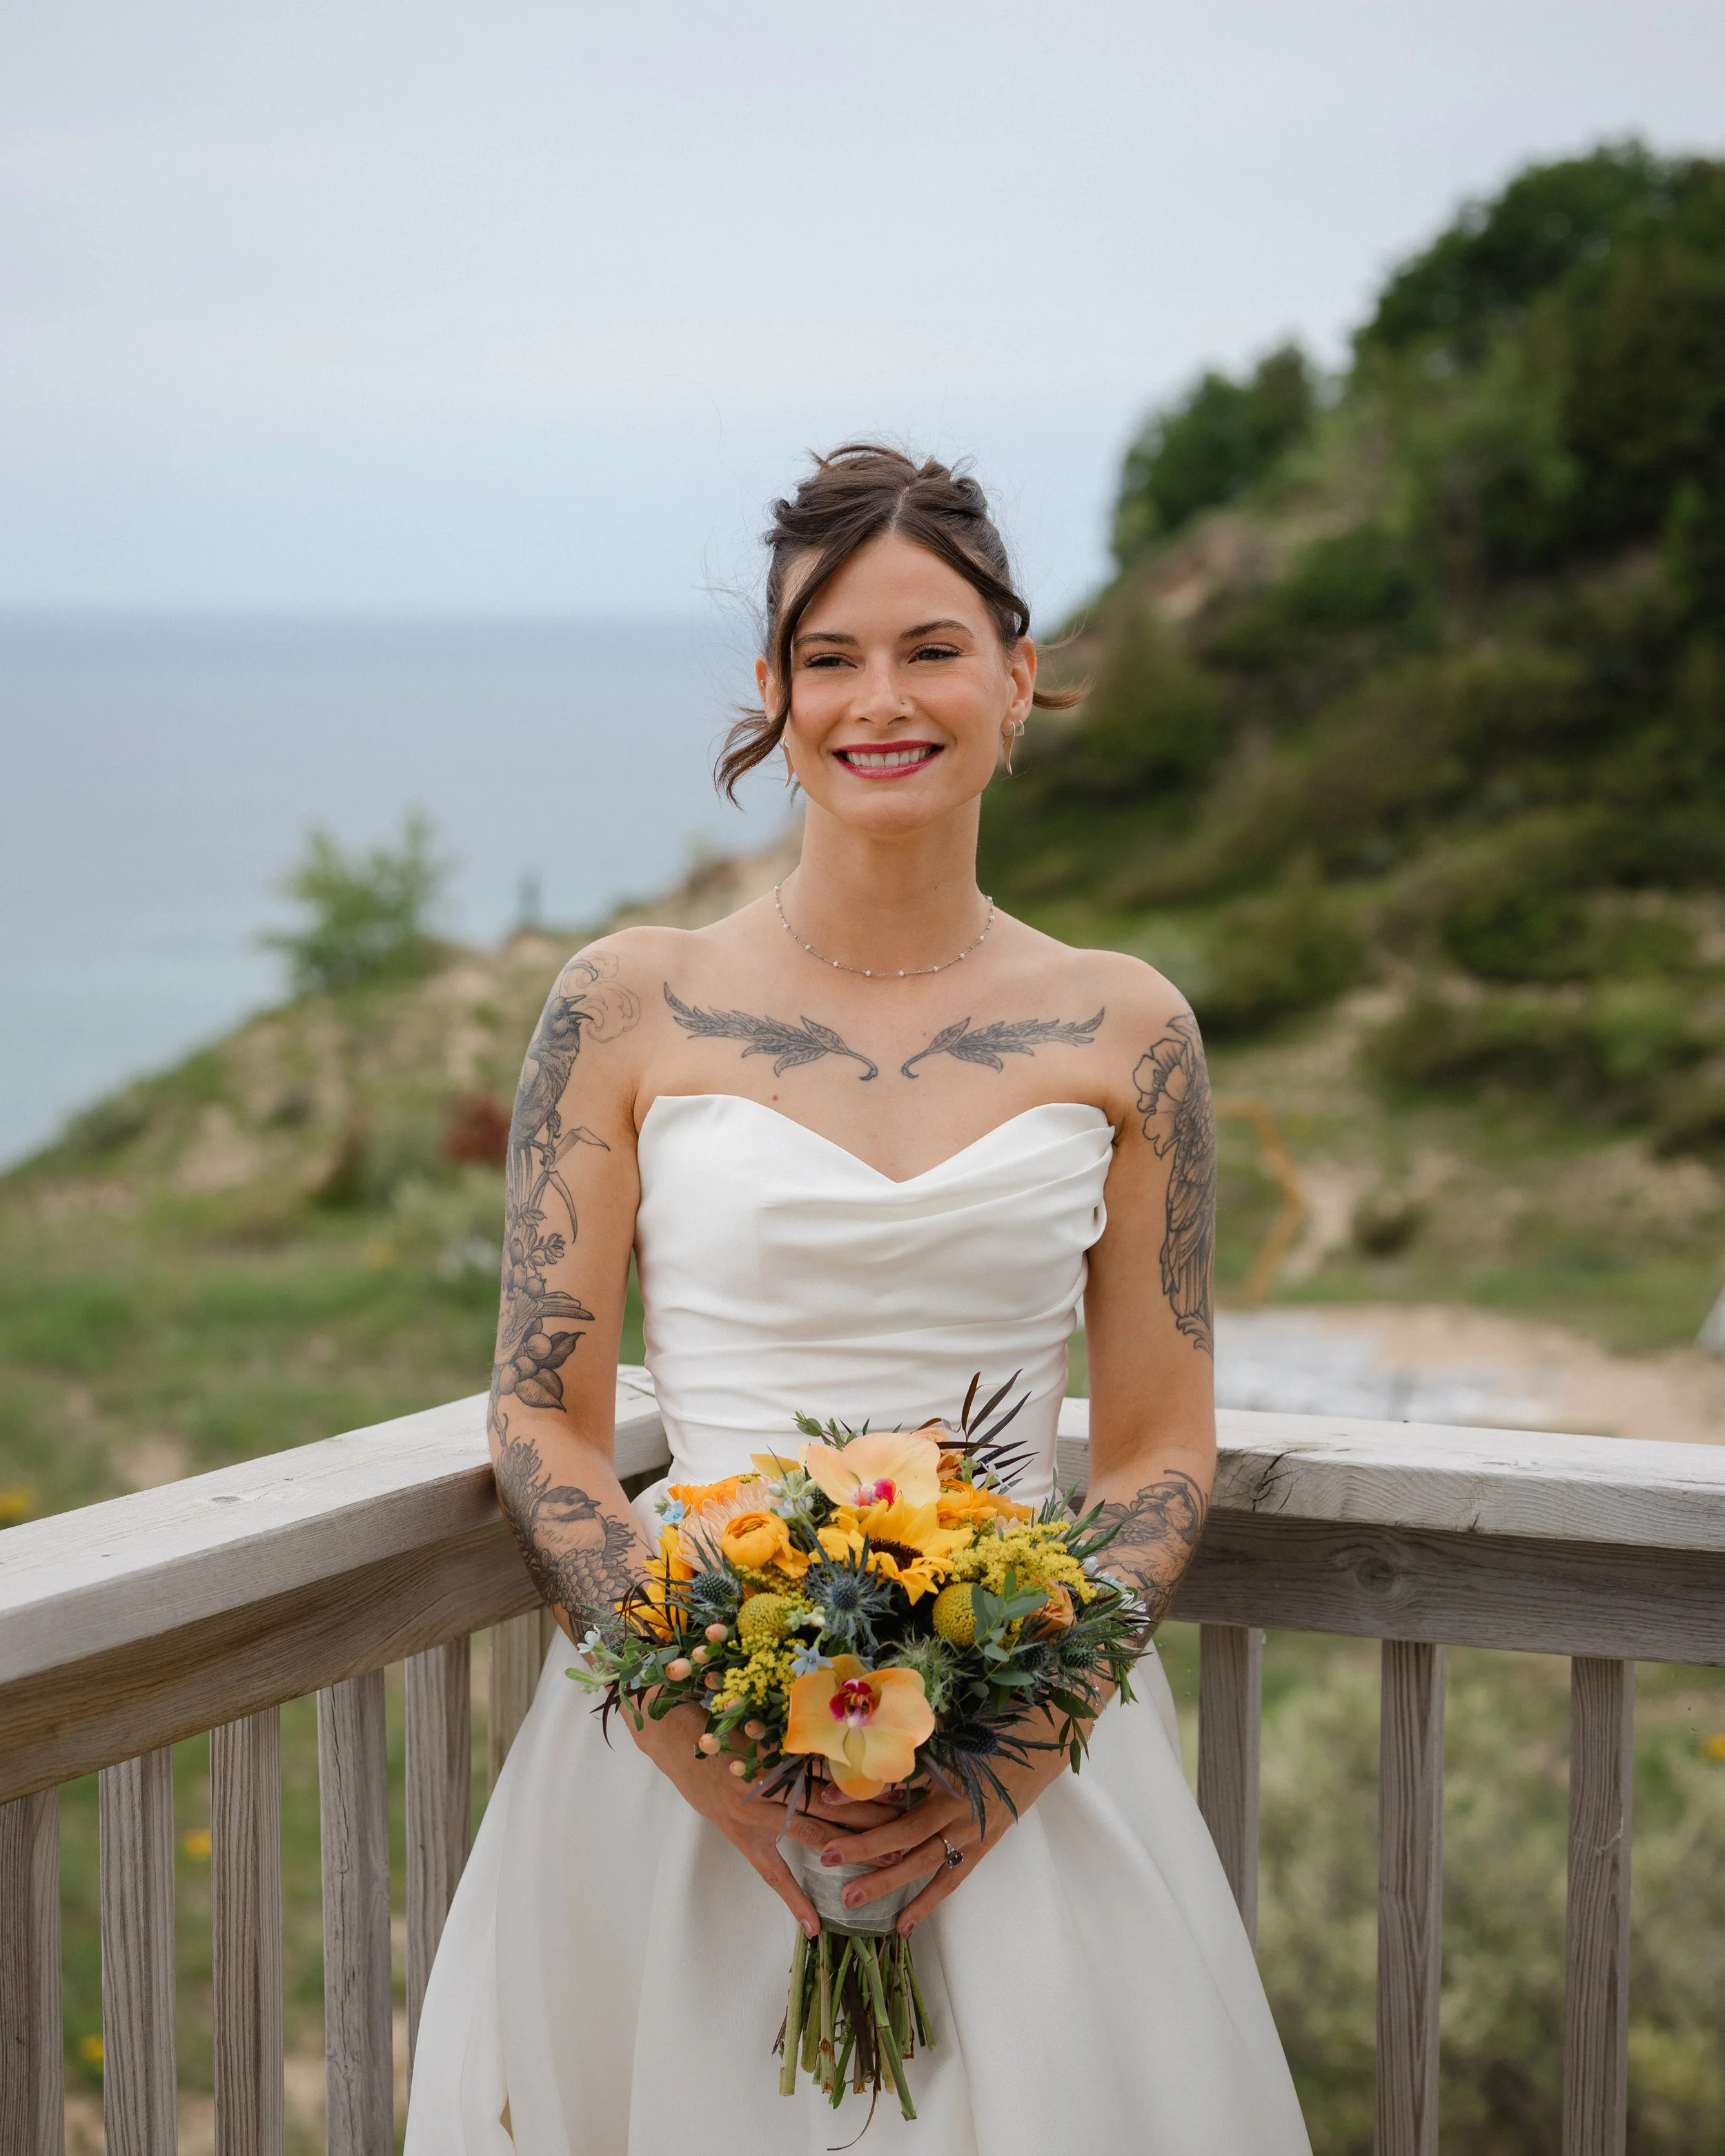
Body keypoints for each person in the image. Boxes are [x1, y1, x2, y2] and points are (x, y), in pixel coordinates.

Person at [405, 444, 1311, 2154]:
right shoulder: (623, 1002)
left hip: (1029, 1751)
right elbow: (541, 1415)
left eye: (930, 647)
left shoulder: (1129, 1032)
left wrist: (1006, 1760)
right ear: (771, 691)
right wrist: (693, 1737)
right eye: (828, 656)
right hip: (679, 1741)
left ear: (1016, 679)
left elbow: (1152, 1452)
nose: (877, 698)